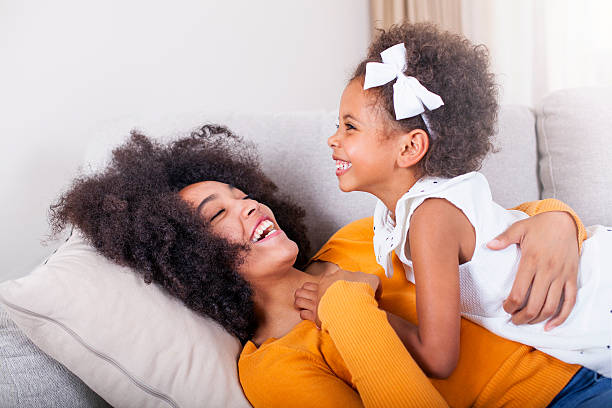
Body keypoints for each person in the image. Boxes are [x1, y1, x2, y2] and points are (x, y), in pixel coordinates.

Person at [50, 125, 605, 406]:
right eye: (219, 212)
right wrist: (347, 305)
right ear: (187, 258)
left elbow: (480, 222)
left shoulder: (355, 239)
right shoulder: (272, 369)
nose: (248, 205)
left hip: (589, 337)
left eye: (240, 194)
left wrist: (556, 220)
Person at [298, 22, 611, 380]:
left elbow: (438, 358)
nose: (333, 140)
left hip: (599, 294)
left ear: (410, 147)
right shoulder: (401, 214)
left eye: (349, 127)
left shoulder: (431, 219)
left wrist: (347, 307)